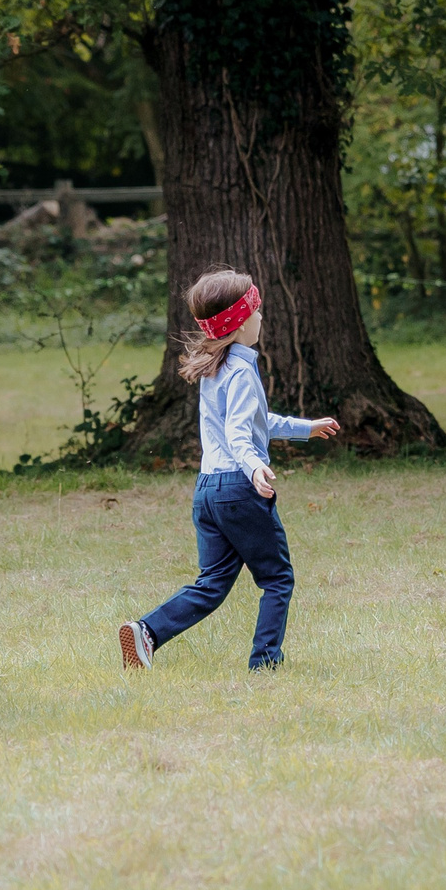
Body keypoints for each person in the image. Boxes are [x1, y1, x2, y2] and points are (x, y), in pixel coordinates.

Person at [118, 269, 340, 672]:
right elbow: (241, 435)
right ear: (238, 321)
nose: (262, 318)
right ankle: (265, 662)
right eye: (257, 311)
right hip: (239, 489)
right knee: (277, 579)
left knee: (213, 583)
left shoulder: (215, 369)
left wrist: (305, 428)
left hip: (208, 490)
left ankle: (146, 631)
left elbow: (254, 421)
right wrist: (256, 468)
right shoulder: (240, 371)